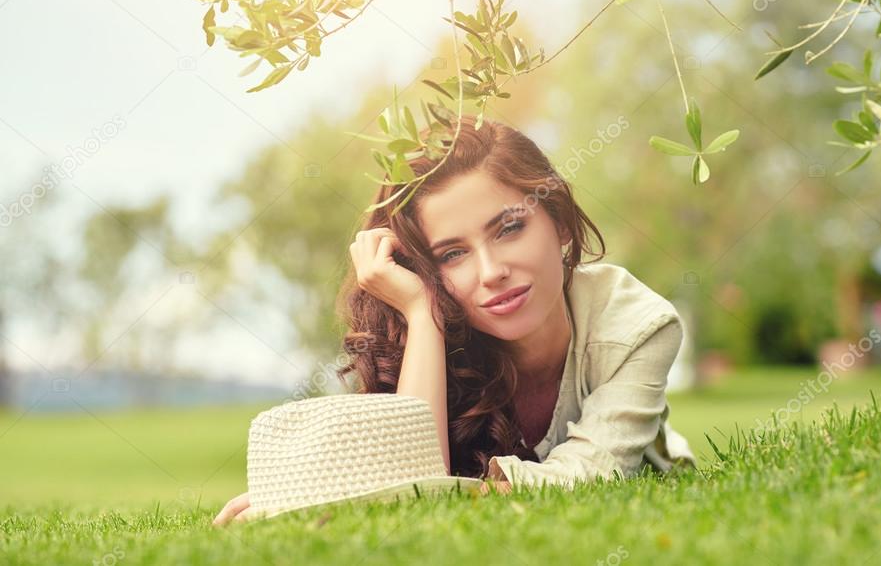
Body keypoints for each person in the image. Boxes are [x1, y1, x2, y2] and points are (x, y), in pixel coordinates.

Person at [213, 117, 694, 527]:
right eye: (452, 254)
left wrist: (378, 497)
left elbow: (592, 473)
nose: (491, 273)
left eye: (509, 228)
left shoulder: (637, 324)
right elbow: (411, 482)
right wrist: (422, 315)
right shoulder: (437, 330)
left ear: (561, 222)